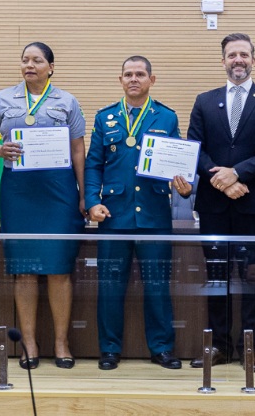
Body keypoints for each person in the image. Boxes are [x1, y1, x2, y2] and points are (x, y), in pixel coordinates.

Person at [0, 42, 85, 370]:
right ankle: (29, 343)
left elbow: (78, 149)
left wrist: (83, 194)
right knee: (23, 269)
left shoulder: (67, 101)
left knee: (59, 269)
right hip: (19, 193)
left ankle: (62, 343)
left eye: (37, 60)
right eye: (25, 60)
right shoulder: (3, 99)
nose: (30, 65)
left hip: (59, 193)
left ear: (51, 67)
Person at [187, 33, 255, 373]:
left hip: (254, 206)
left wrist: (237, 174)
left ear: (253, 60)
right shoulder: (204, 101)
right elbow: (195, 148)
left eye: (244, 54)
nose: (238, 60)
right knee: (217, 278)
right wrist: (221, 181)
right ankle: (218, 345)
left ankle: (250, 347)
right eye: (232, 54)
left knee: (252, 277)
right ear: (223, 61)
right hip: (214, 205)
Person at [85, 55, 191, 371]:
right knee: (110, 285)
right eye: (128, 74)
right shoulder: (105, 119)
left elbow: (178, 163)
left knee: (157, 285)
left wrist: (184, 186)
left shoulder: (166, 117)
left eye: (140, 74)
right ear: (121, 80)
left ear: (151, 80)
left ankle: (161, 349)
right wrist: (91, 202)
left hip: (154, 215)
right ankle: (109, 349)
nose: (134, 79)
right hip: (114, 215)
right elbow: (93, 164)